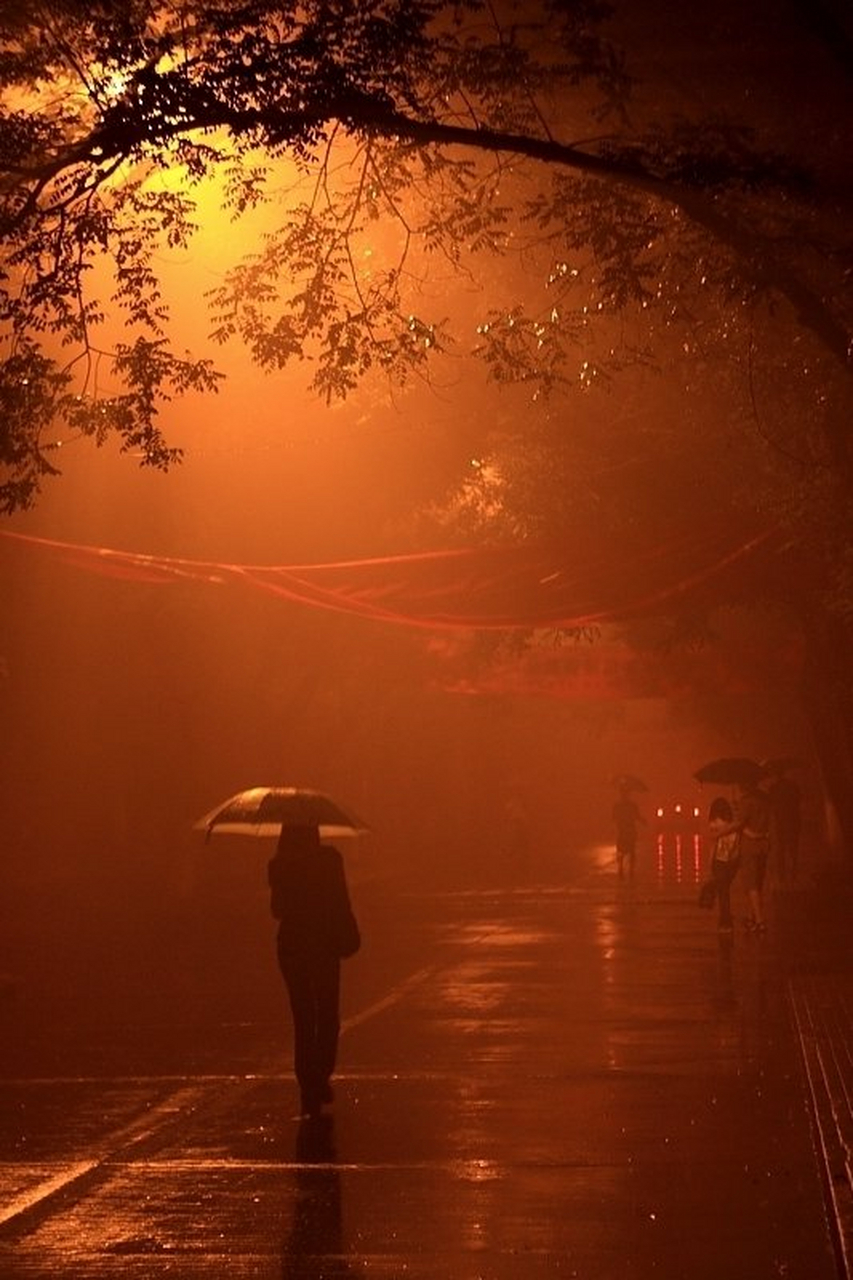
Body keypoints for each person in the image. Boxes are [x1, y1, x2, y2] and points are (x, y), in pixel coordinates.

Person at [268, 823, 361, 1118]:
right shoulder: (330, 860)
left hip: (292, 946)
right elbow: (341, 901)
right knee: (328, 1014)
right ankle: (320, 1076)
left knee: (303, 1018)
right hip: (323, 944)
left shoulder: (278, 865)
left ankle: (308, 1084)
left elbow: (277, 910)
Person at [728, 775, 772, 931]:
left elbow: (739, 823)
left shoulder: (747, 801)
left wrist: (720, 832)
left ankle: (759, 920)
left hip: (749, 845)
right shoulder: (766, 799)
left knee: (751, 884)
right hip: (764, 845)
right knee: (758, 882)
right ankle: (751, 917)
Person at [707, 796, 740, 932]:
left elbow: (713, 846)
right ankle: (726, 919)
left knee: (723, 892)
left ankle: (725, 922)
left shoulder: (714, 824)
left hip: (719, 860)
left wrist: (709, 865)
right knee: (725, 890)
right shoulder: (734, 823)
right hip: (733, 860)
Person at [765, 766, 802, 883]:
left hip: (779, 822)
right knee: (792, 849)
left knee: (780, 850)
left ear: (776, 774)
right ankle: (793, 875)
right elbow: (799, 801)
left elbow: (769, 804)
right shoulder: (793, 786)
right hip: (793, 820)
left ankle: (781, 877)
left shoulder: (773, 788)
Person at [612, 786, 645, 879]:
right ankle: (629, 869)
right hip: (628, 829)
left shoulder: (618, 805)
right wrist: (643, 821)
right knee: (630, 850)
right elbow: (637, 816)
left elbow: (613, 817)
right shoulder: (631, 805)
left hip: (623, 830)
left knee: (623, 850)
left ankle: (622, 868)